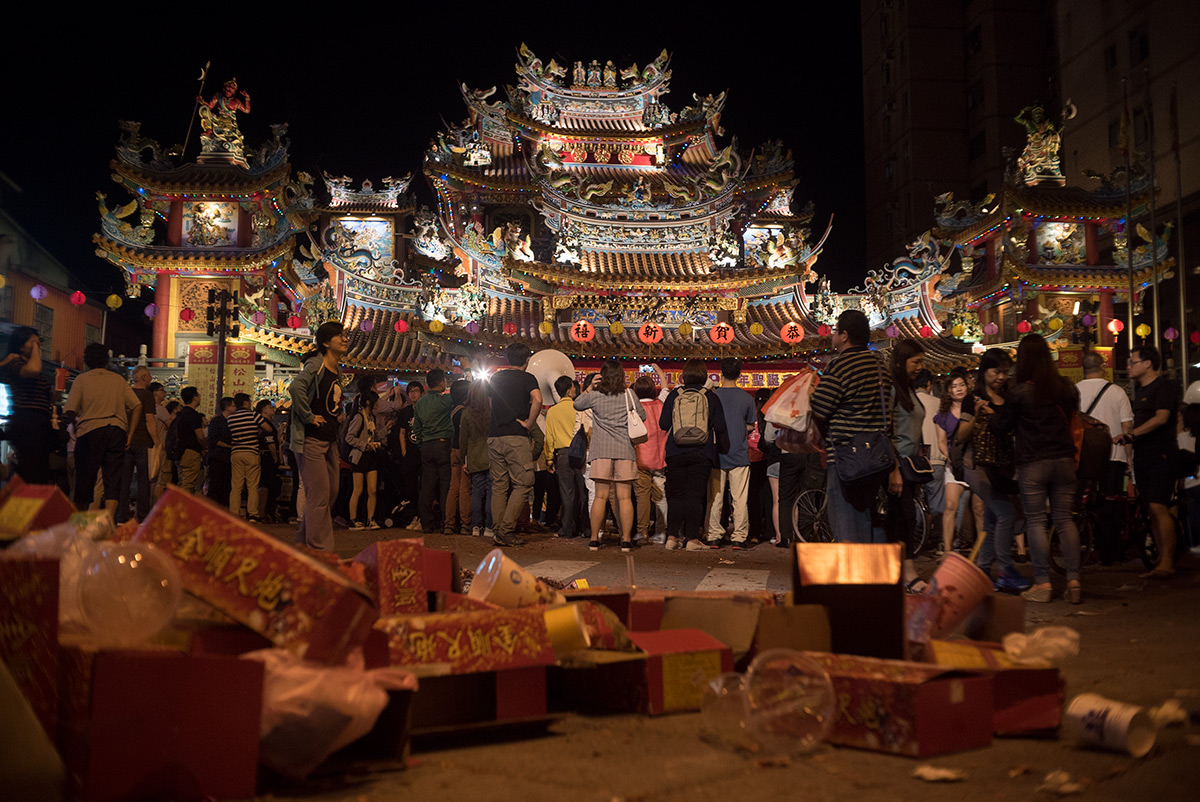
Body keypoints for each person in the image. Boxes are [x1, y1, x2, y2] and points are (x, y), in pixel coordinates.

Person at [992, 334, 1081, 603]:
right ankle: (1074, 580)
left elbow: (999, 427)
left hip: (1033, 464)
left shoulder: (1019, 393)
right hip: (1065, 461)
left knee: (1036, 521)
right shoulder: (1066, 387)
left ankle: (1043, 584)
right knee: (1065, 520)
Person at [809, 309, 892, 543]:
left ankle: (853, 575)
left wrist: (811, 393)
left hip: (847, 454)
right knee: (868, 515)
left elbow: (820, 409)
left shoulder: (841, 365)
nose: (832, 336)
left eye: (835, 331)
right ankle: (874, 571)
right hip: (876, 455)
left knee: (845, 519)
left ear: (844, 335)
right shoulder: (879, 366)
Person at [960, 348, 1025, 589]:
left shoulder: (1009, 398)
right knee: (1005, 513)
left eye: (1005, 372)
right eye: (996, 371)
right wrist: (977, 415)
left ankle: (983, 571)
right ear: (984, 371)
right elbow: (959, 436)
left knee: (990, 520)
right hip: (977, 466)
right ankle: (1006, 571)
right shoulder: (973, 398)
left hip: (1000, 468)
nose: (1001, 377)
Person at [288, 321, 348, 551]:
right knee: (319, 496)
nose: (345, 339)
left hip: (329, 439)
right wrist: (308, 416)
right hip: (311, 440)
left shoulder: (336, 370)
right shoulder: (316, 364)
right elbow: (295, 389)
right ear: (325, 342)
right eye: (339, 336)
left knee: (330, 493)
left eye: (344, 335)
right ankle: (319, 549)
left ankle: (303, 543)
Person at [573, 360, 645, 552]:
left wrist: (589, 387)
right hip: (624, 451)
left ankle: (595, 538)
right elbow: (642, 416)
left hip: (601, 451)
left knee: (600, 496)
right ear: (621, 376)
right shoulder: (629, 394)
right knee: (624, 497)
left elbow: (577, 404)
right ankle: (627, 539)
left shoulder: (595, 395)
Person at [64, 343, 142, 517]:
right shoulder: (118, 380)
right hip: (116, 430)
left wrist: (76, 424)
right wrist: (129, 433)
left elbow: (70, 409)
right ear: (106, 359)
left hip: (90, 431)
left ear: (87, 360)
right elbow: (137, 406)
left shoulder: (82, 379)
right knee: (112, 480)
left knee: (85, 479)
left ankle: (82, 524)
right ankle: (108, 522)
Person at [659, 359, 729, 550]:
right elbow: (721, 426)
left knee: (676, 495)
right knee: (695, 496)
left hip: (675, 451)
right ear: (704, 376)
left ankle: (672, 537)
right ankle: (692, 539)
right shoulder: (710, 396)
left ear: (685, 374)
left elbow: (664, 424)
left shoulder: (675, 395)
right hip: (702, 452)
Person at [1125, 345, 1180, 578]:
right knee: (1151, 508)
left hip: (1162, 455)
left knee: (1159, 505)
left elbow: (1161, 418)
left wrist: (1132, 434)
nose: (1128, 366)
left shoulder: (1164, 387)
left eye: (1132, 362)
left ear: (1147, 363)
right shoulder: (1139, 390)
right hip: (1143, 456)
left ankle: (1167, 561)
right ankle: (1161, 561)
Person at [1076, 351, 1134, 564]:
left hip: (1083, 457)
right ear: (1102, 366)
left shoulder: (1074, 392)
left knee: (1083, 504)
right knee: (1112, 504)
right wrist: (1129, 458)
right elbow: (1127, 427)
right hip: (1113, 455)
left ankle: (1084, 546)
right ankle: (1109, 552)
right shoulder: (1117, 391)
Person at [487, 343, 542, 547]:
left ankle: (498, 530)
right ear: (526, 360)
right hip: (516, 436)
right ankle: (506, 530)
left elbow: (491, 404)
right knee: (524, 483)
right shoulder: (528, 378)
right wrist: (528, 422)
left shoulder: (496, 377)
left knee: (499, 485)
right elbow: (537, 399)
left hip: (494, 435)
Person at [885, 339, 929, 591]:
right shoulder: (892, 390)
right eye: (916, 362)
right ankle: (909, 573)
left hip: (910, 464)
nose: (920, 367)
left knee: (898, 518)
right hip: (897, 463)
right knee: (905, 517)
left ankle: (894, 572)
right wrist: (894, 470)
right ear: (900, 363)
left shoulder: (909, 389)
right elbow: (887, 430)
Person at [704, 358, 758, 549]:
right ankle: (739, 537)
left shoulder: (713, 397)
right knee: (740, 499)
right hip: (740, 454)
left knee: (715, 498)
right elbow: (751, 425)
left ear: (721, 372)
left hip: (717, 454)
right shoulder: (747, 399)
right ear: (740, 374)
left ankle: (713, 535)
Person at [0, 327, 53, 484]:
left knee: (38, 471)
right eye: (33, 342)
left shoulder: (25, 363)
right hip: (26, 420)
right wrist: (36, 350)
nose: (38, 345)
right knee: (31, 471)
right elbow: (33, 370)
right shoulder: (14, 362)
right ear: (21, 346)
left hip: (38, 422)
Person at [933, 371, 977, 555]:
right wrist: (949, 456)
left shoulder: (976, 407)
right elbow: (942, 442)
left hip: (976, 463)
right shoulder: (942, 415)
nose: (958, 389)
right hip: (955, 465)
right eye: (954, 386)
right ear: (948, 392)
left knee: (980, 508)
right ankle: (948, 550)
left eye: (961, 385)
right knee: (951, 506)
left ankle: (982, 552)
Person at [545, 375, 587, 539]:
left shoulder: (552, 411)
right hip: (580, 453)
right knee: (584, 492)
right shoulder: (579, 407)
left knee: (567, 494)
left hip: (562, 455)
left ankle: (567, 529)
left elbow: (549, 438)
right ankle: (587, 528)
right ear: (570, 389)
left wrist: (549, 459)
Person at [116, 366, 159, 523]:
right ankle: (142, 516)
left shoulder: (125, 393)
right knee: (143, 479)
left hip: (125, 441)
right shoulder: (147, 396)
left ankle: (121, 515)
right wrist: (157, 441)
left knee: (124, 479)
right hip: (142, 441)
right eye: (148, 375)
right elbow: (149, 420)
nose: (150, 378)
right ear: (143, 377)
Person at [414, 369, 453, 533]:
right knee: (445, 486)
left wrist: (422, 443)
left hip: (427, 446)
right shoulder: (445, 400)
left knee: (427, 487)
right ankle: (446, 522)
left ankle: (427, 523)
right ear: (442, 382)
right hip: (443, 444)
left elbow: (416, 428)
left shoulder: (420, 403)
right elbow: (463, 391)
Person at [633, 374, 668, 545]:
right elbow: (666, 388)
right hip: (659, 458)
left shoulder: (635, 408)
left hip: (640, 460)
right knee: (661, 496)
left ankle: (642, 531)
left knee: (643, 497)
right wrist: (660, 372)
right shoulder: (661, 404)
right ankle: (661, 532)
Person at [460, 378, 494, 538]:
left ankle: (475, 526)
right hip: (491, 456)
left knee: (476, 492)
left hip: (474, 457)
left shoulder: (466, 413)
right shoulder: (492, 411)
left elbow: (463, 439)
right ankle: (488, 527)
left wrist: (464, 459)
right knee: (491, 492)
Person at [345, 389, 383, 530]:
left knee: (373, 489)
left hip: (371, 456)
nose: (378, 404)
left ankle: (370, 519)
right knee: (358, 489)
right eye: (376, 402)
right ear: (369, 402)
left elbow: (374, 434)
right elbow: (349, 437)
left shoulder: (372, 417)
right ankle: (353, 519)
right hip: (360, 456)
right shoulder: (359, 418)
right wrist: (365, 445)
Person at [914, 370, 945, 524]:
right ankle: (938, 537)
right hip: (936, 460)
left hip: (915, 461)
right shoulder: (938, 403)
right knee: (937, 503)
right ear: (928, 385)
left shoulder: (909, 402)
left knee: (917, 500)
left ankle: (918, 536)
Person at [226, 393, 262, 520]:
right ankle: (252, 513)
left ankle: (234, 513)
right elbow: (268, 427)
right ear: (246, 402)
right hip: (251, 452)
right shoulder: (253, 415)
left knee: (236, 486)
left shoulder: (231, 419)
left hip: (236, 453)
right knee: (252, 486)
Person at [443, 379, 473, 535]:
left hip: (453, 449)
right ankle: (465, 524)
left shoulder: (453, 409)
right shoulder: (463, 412)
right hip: (462, 450)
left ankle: (449, 524)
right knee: (465, 488)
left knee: (453, 487)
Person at [173, 387, 206, 494]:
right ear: (195, 398)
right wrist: (205, 446)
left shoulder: (180, 414)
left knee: (182, 482)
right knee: (188, 485)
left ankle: (177, 508)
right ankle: (183, 509)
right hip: (191, 453)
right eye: (198, 395)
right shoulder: (193, 415)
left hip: (179, 452)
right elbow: (200, 436)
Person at [256, 399, 283, 522]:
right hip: (266, 457)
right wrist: (275, 456)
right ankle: (261, 512)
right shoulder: (264, 424)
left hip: (263, 456)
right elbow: (270, 442)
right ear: (264, 409)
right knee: (265, 484)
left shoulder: (265, 423)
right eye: (270, 406)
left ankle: (264, 511)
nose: (273, 408)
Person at [206, 397, 234, 504]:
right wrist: (228, 446)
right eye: (233, 405)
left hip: (229, 458)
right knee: (215, 485)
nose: (235, 408)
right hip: (217, 457)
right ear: (227, 407)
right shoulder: (216, 421)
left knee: (226, 486)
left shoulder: (233, 421)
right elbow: (212, 439)